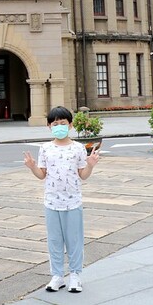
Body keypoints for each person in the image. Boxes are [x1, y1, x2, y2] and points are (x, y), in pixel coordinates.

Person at [23, 106, 100, 294]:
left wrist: (90, 165)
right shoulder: (45, 148)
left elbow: (83, 175)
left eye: (62, 123)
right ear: (49, 126)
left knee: (74, 239)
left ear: (70, 125)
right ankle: (57, 275)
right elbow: (42, 175)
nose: (59, 126)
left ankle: (75, 275)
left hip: (73, 202)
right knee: (55, 240)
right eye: (55, 123)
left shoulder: (78, 148)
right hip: (51, 202)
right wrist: (33, 167)